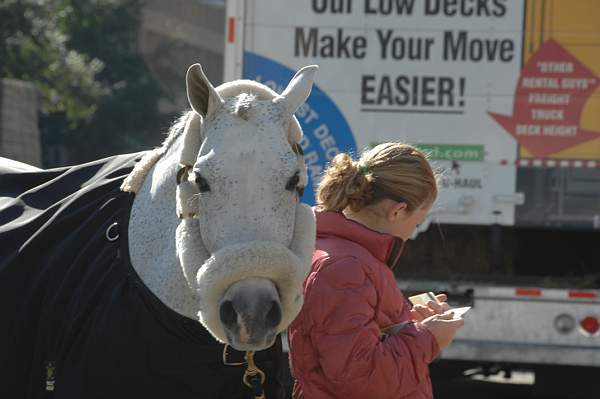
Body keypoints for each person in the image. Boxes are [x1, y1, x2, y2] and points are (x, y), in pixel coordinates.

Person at [287, 142, 465, 399]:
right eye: (416, 224)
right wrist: (428, 338)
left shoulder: (345, 257)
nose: (411, 235)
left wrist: (411, 324)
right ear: (398, 211)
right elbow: (361, 378)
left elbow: (359, 337)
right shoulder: (345, 268)